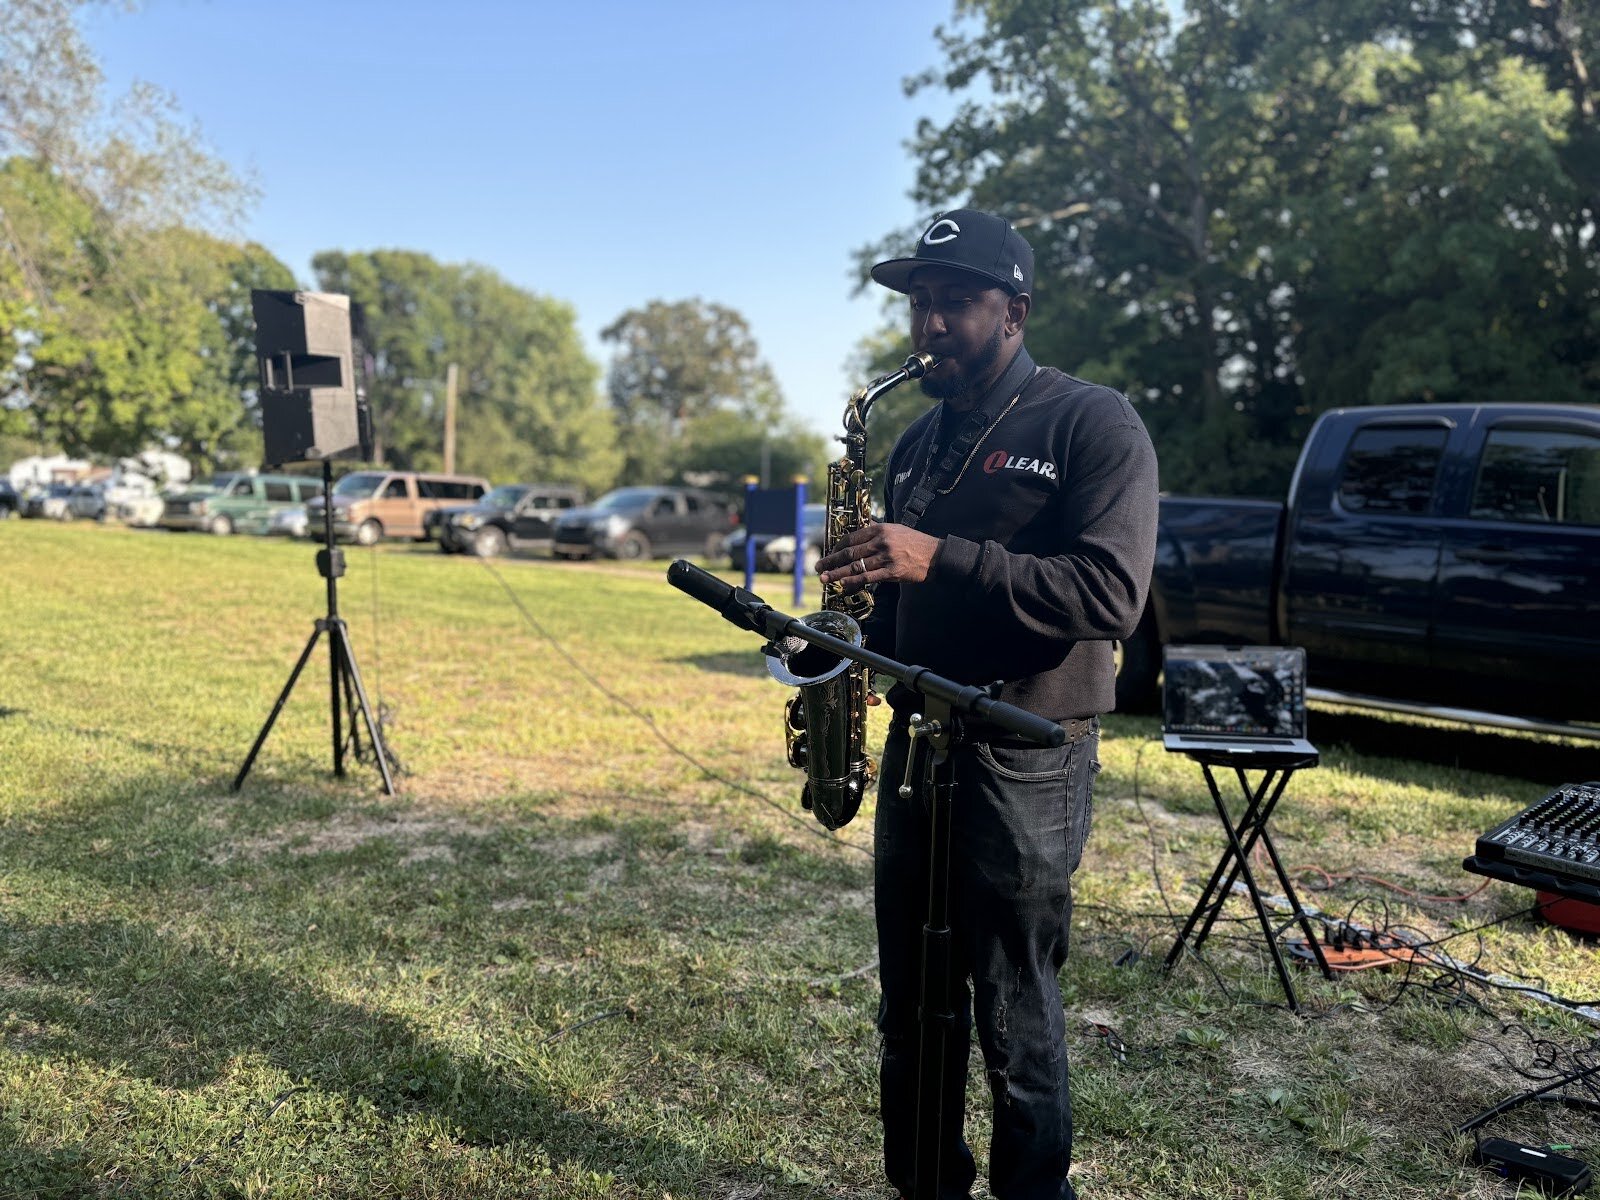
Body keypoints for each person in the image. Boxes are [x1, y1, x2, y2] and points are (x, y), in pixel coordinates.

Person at [816, 208, 1159, 1200]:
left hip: (1026, 755)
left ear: (1014, 309)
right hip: (918, 747)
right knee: (912, 1004)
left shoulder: (1091, 422)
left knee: (1014, 1010)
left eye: (954, 302)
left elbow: (1109, 596)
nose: (929, 324)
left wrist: (938, 555)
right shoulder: (916, 442)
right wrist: (846, 629)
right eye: (920, 303)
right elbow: (895, 600)